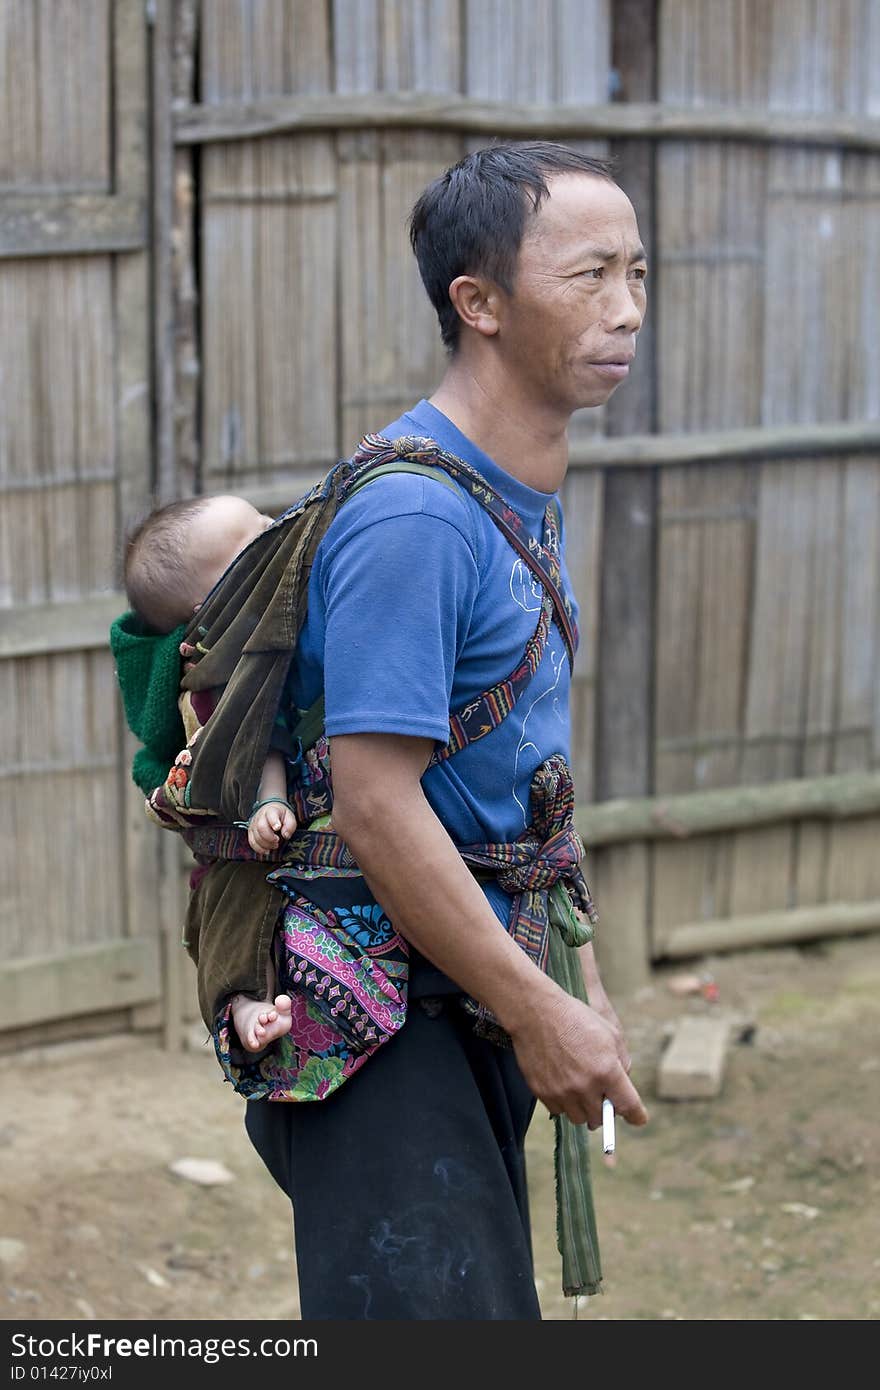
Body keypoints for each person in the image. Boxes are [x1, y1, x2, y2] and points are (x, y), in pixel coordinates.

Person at [238, 140, 651, 1320]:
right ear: (477, 302)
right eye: (587, 277)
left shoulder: (513, 489)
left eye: (637, 271)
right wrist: (538, 1009)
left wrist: (579, 985)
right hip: (377, 1024)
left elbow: (524, 780)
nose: (625, 309)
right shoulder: (417, 516)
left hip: (457, 985)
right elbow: (376, 803)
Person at [123, 494, 298, 1053]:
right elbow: (251, 746)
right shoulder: (212, 683)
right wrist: (269, 801)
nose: (274, 527)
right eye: (253, 535)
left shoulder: (284, 608)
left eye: (263, 517)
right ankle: (242, 1008)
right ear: (214, 601)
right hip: (237, 843)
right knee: (227, 915)